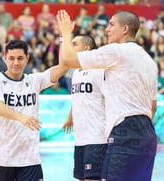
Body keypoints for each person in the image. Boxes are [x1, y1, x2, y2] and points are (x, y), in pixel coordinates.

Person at [57, 10, 158, 181]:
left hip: (125, 130)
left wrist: (66, 33)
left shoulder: (118, 51)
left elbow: (68, 59)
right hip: (147, 134)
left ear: (125, 29)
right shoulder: (148, 60)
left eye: (111, 24)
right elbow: (153, 106)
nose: (107, 29)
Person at [0, 39, 68, 181]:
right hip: (1, 158)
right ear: (5, 58)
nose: (16, 63)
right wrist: (22, 117)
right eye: (11, 58)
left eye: (20, 58)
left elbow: (63, 68)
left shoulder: (35, 80)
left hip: (29, 159)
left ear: (27, 58)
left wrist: (63, 38)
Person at [61, 35, 107, 181]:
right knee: (81, 178)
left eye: (75, 44)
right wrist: (70, 118)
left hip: (97, 137)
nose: (71, 47)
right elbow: (77, 98)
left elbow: (110, 98)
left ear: (86, 48)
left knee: (92, 178)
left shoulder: (99, 70)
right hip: (80, 138)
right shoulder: (76, 73)